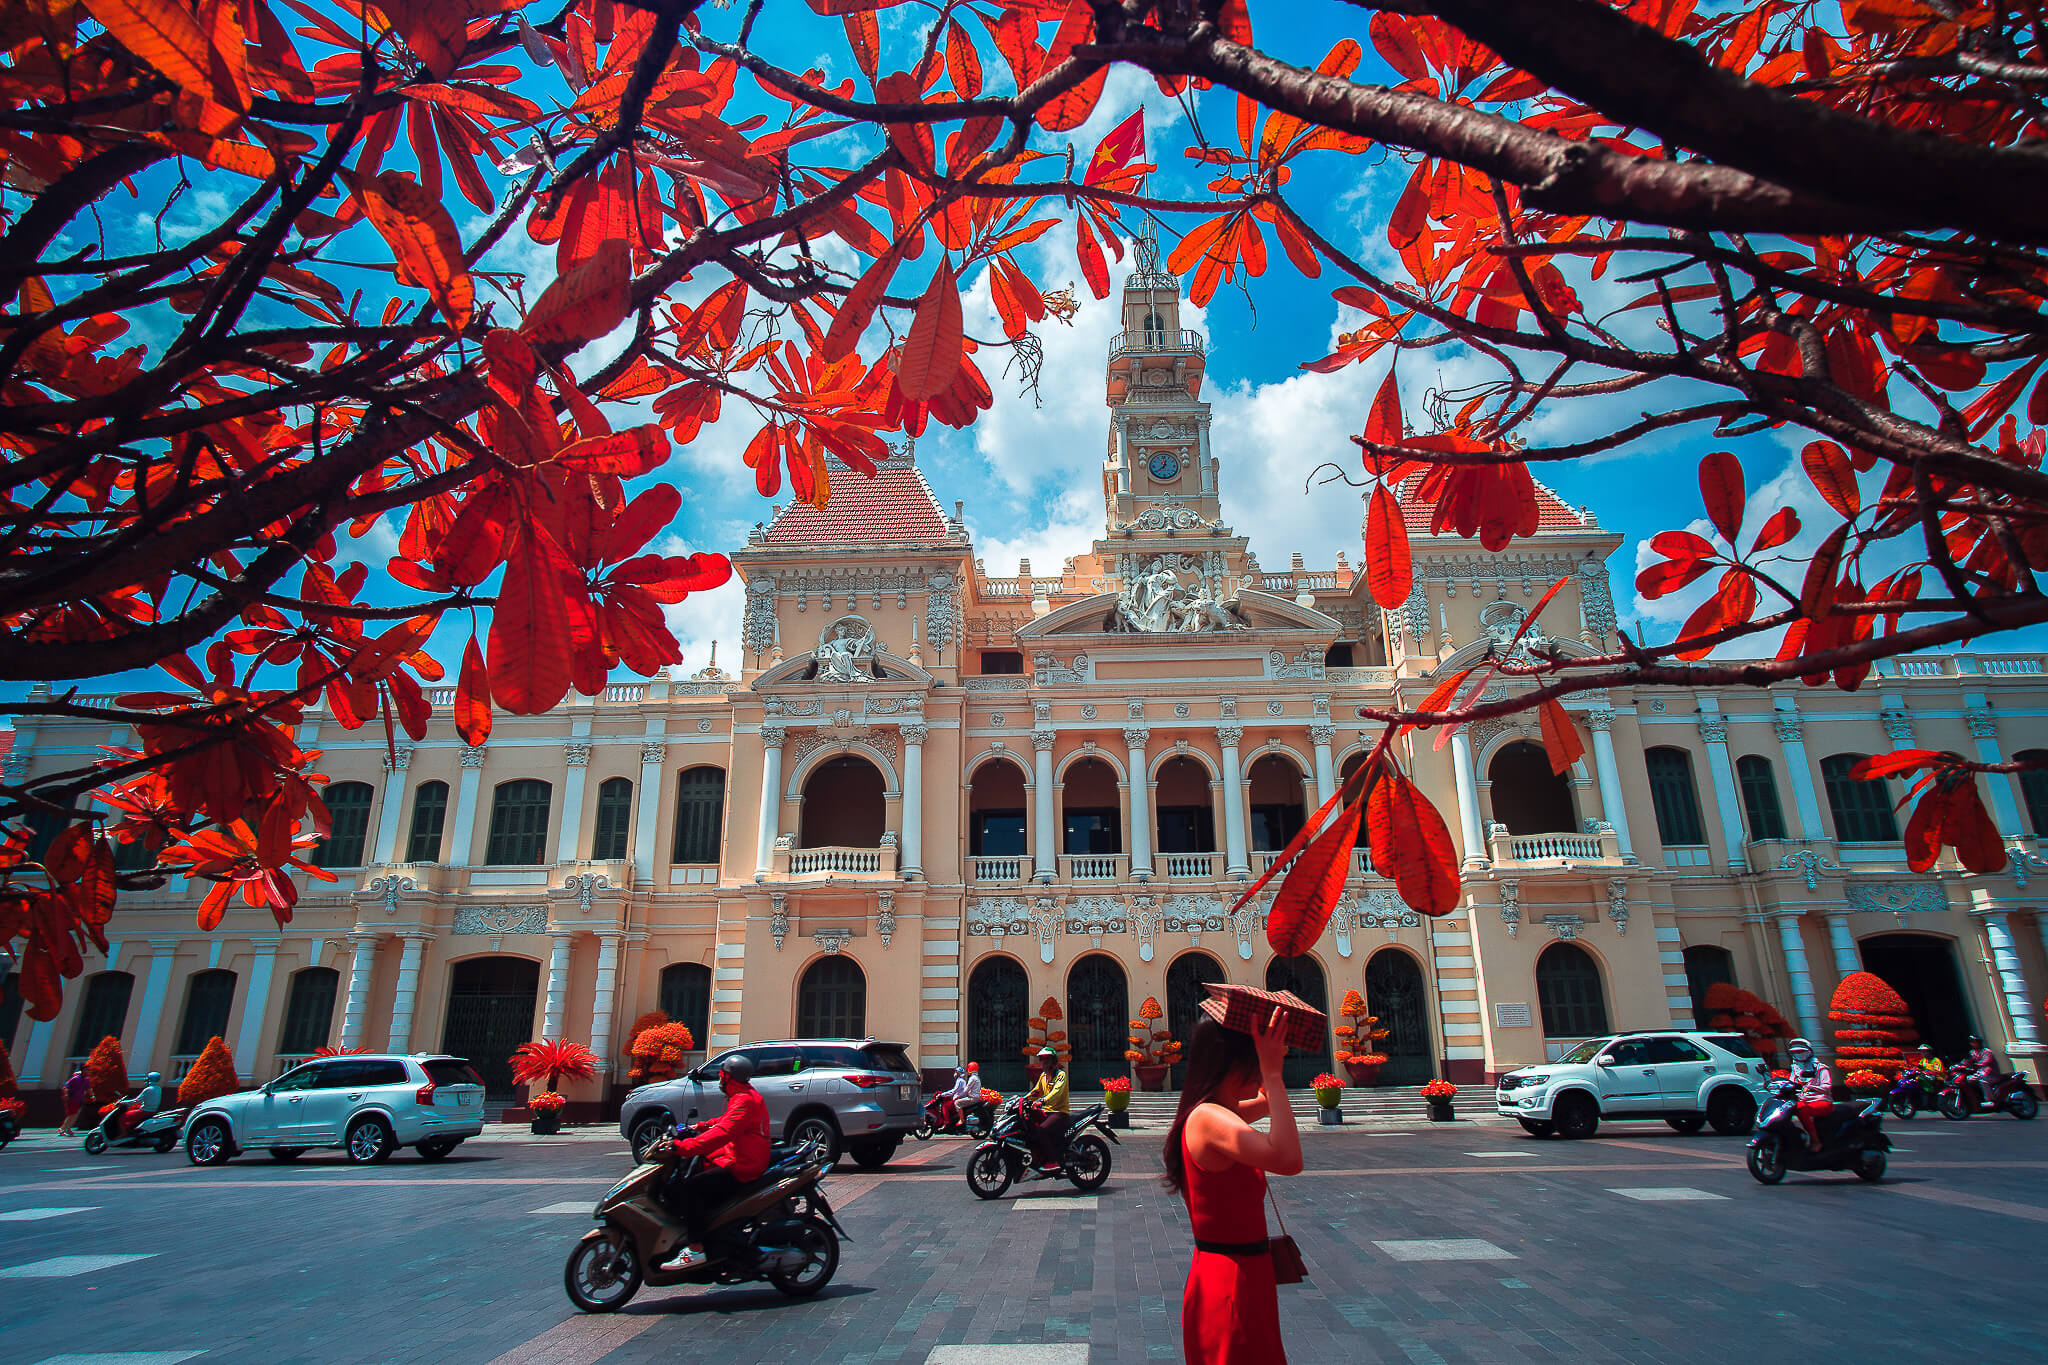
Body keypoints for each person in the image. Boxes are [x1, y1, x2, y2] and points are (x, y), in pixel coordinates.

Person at [1164, 1005, 1301, 1365]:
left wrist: (1273, 1070)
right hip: (1230, 1283)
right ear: (1233, 1062)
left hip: (1244, 1274)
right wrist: (1271, 1073)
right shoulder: (1209, 1119)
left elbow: (1267, 1108)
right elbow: (1288, 1159)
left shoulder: (1218, 1113)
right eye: (1253, 1057)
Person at [657, 1055, 770, 1270]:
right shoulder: (743, 1095)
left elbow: (723, 1133)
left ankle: (696, 1248)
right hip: (739, 1156)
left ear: (728, 1077)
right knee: (699, 1177)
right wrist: (699, 1127)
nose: (719, 1080)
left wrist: (684, 1148)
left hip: (742, 1164)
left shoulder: (744, 1100)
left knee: (691, 1188)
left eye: (721, 1076)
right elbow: (725, 1122)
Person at [1024, 1047, 1070, 1171]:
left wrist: (1042, 1101)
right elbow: (1036, 1091)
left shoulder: (1060, 1075)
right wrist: (1023, 1099)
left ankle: (1052, 1161)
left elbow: (1056, 1093)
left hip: (1059, 1112)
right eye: (1042, 1059)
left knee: (1041, 1130)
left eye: (1047, 1059)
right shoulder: (1043, 1076)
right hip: (1046, 1111)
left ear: (1053, 1061)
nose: (1044, 1062)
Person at [1784, 1038, 1833, 1152]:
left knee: (1802, 1109)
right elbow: (1791, 1083)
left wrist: (1811, 1087)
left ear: (1809, 1051)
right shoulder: (1795, 1069)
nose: (1799, 1055)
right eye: (1795, 1052)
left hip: (1821, 1100)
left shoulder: (1821, 1068)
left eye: (1801, 1051)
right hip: (1802, 1100)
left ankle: (1815, 1140)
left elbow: (1827, 1087)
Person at [1962, 1034, 2000, 1106]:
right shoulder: (1972, 1052)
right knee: (1967, 1079)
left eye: (1975, 1042)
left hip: (1991, 1074)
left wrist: (1974, 1065)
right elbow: (1968, 1061)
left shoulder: (1987, 1052)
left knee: (1983, 1081)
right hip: (1980, 1073)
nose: (1973, 1044)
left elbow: (1985, 1062)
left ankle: (1991, 1100)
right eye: (1971, 1042)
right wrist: (1964, 1064)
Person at [942, 1063, 981, 1132]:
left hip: (973, 1098)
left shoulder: (971, 1079)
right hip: (974, 1097)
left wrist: (957, 1097)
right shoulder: (975, 1078)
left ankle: (961, 1119)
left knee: (957, 1103)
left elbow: (965, 1090)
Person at [58, 1067, 88, 1137]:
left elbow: (88, 1088)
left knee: (74, 1115)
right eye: (86, 1070)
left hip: (79, 1100)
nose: (88, 1072)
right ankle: (63, 1129)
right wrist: (66, 1095)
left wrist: (91, 1095)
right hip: (72, 1099)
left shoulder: (86, 1080)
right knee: (71, 1115)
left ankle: (67, 1128)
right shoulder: (75, 1079)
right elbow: (66, 1087)